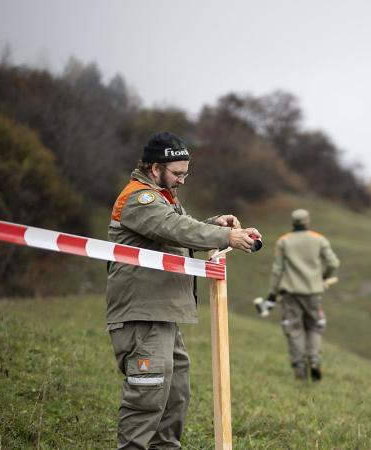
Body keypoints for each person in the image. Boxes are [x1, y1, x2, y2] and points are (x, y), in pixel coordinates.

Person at [106, 131, 261, 450]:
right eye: (178, 174)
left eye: (185, 173)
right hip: (142, 314)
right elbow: (174, 228)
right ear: (154, 169)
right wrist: (225, 237)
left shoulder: (162, 198)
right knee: (147, 397)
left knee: (175, 396)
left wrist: (216, 224)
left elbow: (177, 230)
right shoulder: (140, 198)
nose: (183, 181)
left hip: (162, 315)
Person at [265, 209, 340, 381]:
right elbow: (333, 262)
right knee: (314, 327)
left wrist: (271, 294)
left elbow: (277, 270)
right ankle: (314, 361)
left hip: (290, 293)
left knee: (294, 329)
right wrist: (322, 277)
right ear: (307, 221)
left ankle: (300, 370)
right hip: (313, 292)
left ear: (293, 222)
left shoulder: (283, 241)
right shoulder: (319, 239)